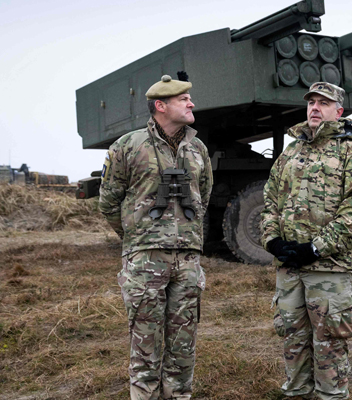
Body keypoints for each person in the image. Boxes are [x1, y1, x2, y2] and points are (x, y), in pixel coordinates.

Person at [260, 82, 352, 400]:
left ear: (339, 112)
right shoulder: (291, 152)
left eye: (323, 103)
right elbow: (271, 199)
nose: (314, 107)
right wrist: (273, 241)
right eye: (311, 102)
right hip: (289, 269)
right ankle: (296, 392)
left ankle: (330, 395)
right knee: (292, 337)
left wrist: (313, 248)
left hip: (330, 269)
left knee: (328, 342)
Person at [99, 73, 213, 400]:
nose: (191, 103)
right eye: (183, 100)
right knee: (145, 348)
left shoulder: (198, 148)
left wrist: (186, 236)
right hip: (144, 261)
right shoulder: (128, 146)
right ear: (161, 106)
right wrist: (137, 238)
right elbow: (108, 202)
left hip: (188, 261)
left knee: (183, 348)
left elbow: (202, 197)